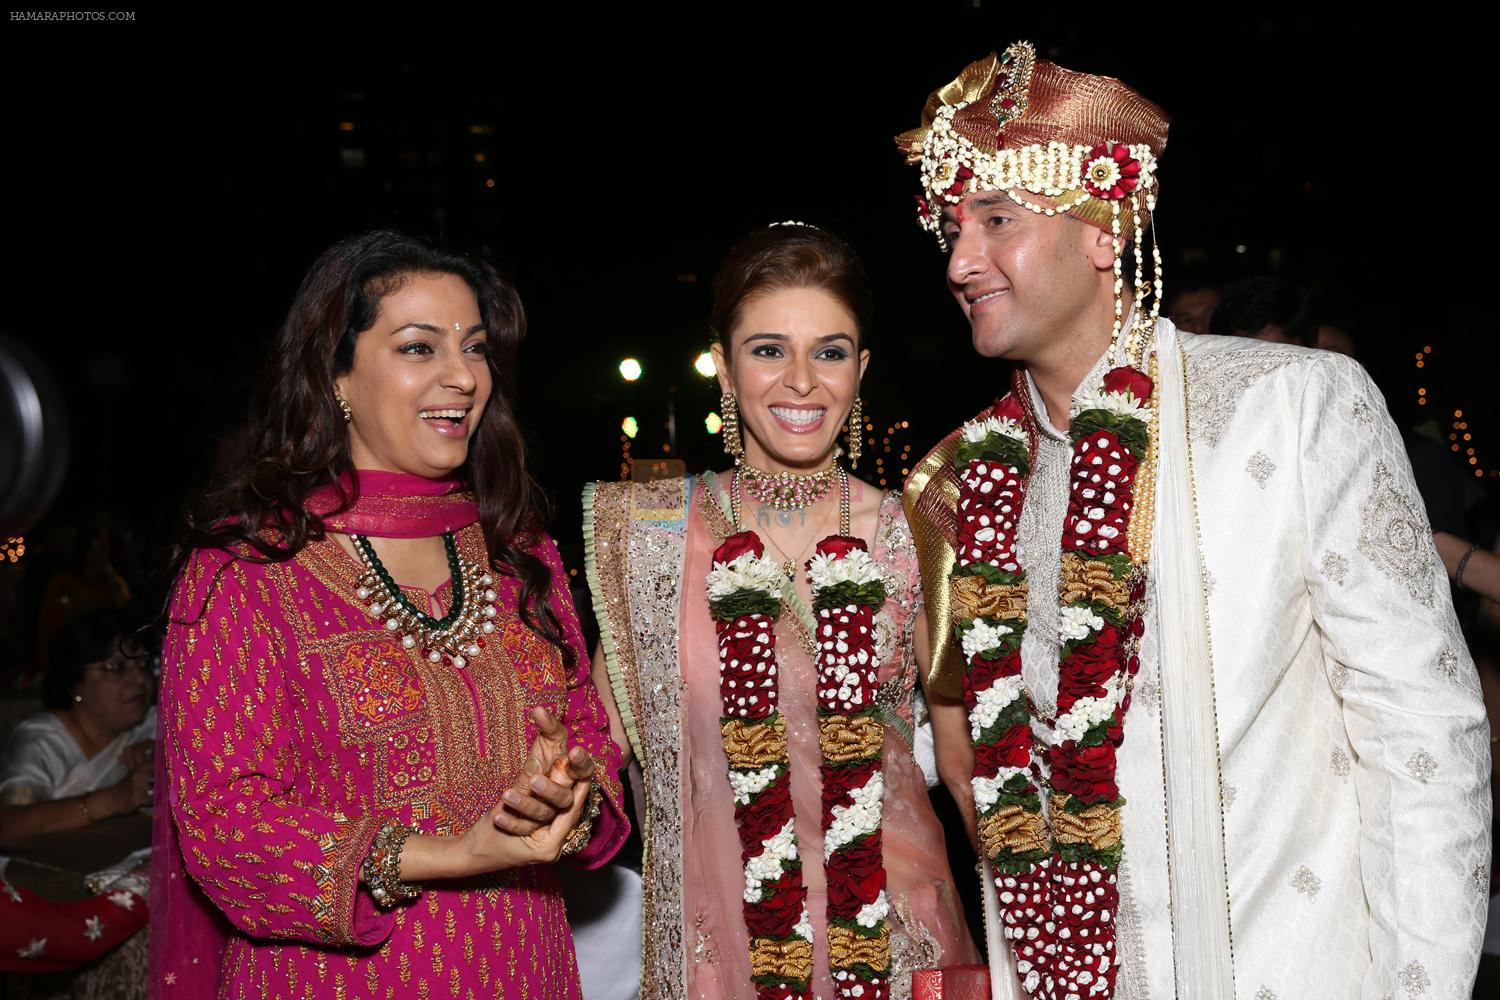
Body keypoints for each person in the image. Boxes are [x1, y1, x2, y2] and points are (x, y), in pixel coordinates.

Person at [894, 42, 1489, 999]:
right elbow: (947, 745)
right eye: (950, 228)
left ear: (1106, 223)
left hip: (1295, 967)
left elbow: (1419, 729)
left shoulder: (1295, 405)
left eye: (996, 220)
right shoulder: (961, 480)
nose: (961, 261)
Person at [150, 230, 627, 999]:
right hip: (338, 979)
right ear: (336, 375)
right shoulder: (249, 574)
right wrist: (449, 853)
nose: (461, 377)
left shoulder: (516, 553)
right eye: (418, 348)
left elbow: (589, 737)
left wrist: (571, 792)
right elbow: (224, 827)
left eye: (474, 349)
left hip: (524, 964)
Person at [581, 224, 979, 999]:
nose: (801, 381)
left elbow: (967, 771)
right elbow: (598, 748)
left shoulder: (916, 539)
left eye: (829, 352)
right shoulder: (655, 539)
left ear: (860, 370)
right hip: (716, 953)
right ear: (725, 370)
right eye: (768, 350)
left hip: (898, 946)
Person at [0, 608, 154, 846]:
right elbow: (7, 826)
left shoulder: (151, 727)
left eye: (144, 664)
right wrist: (111, 800)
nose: (140, 679)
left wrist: (160, 755)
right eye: (115, 668)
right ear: (75, 683)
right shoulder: (43, 742)